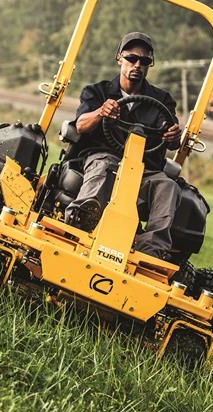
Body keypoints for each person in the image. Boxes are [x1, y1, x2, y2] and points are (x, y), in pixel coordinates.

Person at [64, 31, 182, 259]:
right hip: (103, 158)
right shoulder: (97, 92)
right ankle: (80, 223)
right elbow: (81, 125)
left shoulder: (162, 100)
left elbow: (172, 136)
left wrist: (173, 136)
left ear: (149, 65)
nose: (137, 65)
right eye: (131, 58)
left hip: (144, 170)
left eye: (144, 61)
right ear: (119, 58)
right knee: (105, 167)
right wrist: (101, 112)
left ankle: (150, 252)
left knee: (168, 186)